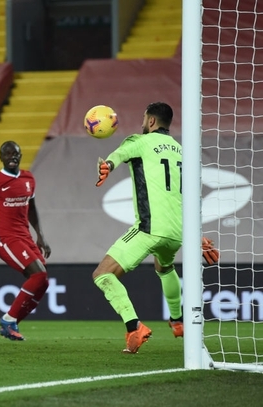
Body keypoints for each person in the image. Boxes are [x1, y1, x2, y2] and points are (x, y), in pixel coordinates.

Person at [93, 102, 218, 354]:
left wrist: (107, 164)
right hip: (178, 233)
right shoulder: (181, 151)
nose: (142, 122)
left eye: (143, 117)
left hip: (149, 228)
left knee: (103, 274)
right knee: (164, 267)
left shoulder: (140, 141)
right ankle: (178, 320)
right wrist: (195, 235)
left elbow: (118, 155)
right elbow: (193, 194)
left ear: (151, 121)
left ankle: (133, 326)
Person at [0, 141, 51, 341]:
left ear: (20, 155)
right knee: (39, 276)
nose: (12, 157)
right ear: (1, 158)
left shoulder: (28, 178)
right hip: (6, 239)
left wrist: (40, 235)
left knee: (43, 283)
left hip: (25, 237)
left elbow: (31, 208)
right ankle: (9, 320)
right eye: (7, 154)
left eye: (15, 153)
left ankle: (11, 323)